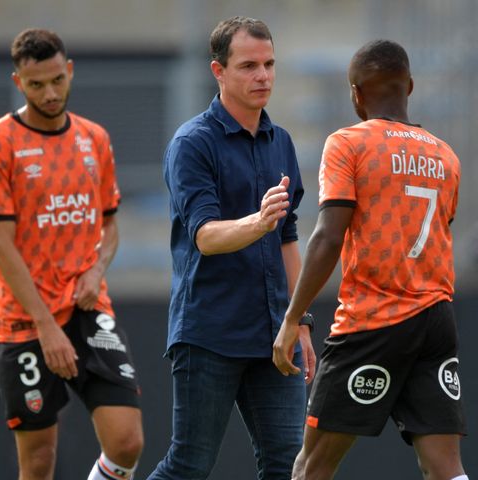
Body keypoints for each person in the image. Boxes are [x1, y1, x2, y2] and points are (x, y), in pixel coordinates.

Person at [272, 39, 467, 480]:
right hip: (436, 319)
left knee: (311, 467)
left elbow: (328, 236)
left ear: (356, 94)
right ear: (410, 86)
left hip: (373, 321)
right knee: (444, 467)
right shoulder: (446, 156)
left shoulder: (348, 143)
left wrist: (292, 318)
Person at [0, 28, 143, 480]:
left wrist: (97, 269)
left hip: (87, 307)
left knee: (127, 442)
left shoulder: (94, 139)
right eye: (36, 85)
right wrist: (46, 328)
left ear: (69, 72)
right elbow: (0, 242)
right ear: (18, 83)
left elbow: (109, 224)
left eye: (56, 81)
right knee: (40, 461)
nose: (49, 93)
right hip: (25, 323)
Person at [147, 16, 315, 480]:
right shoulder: (192, 143)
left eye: (269, 64)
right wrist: (259, 221)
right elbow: (206, 236)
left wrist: (299, 320)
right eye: (248, 66)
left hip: (273, 337)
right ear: (218, 71)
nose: (263, 76)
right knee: (188, 465)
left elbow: (287, 235)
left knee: (290, 465)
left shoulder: (280, 141)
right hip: (210, 333)